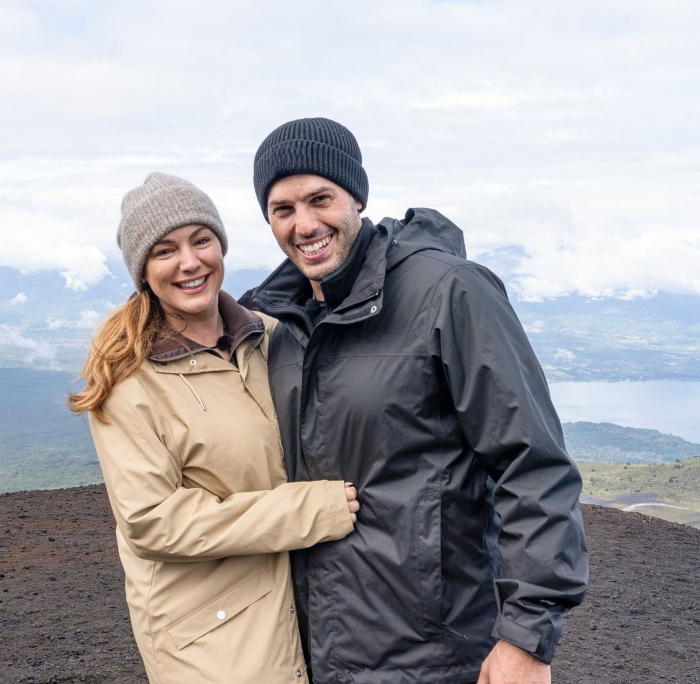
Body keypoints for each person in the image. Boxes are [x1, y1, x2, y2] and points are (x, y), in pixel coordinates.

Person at [239, 118, 589, 684]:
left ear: (356, 196)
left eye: (319, 199)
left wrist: (527, 637)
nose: (304, 224)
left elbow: (533, 464)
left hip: (434, 654)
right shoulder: (277, 323)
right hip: (310, 652)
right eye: (282, 209)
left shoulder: (451, 291)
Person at [68, 172, 359, 684]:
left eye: (201, 240)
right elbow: (153, 521)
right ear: (142, 270)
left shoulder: (270, 337)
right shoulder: (128, 377)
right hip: (209, 642)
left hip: (296, 615)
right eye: (164, 250)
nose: (189, 262)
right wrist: (311, 509)